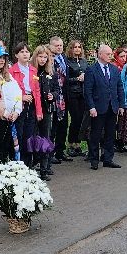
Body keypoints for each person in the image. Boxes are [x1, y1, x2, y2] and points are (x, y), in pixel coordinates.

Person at [83, 43, 125, 170]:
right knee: (96, 134)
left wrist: (121, 105)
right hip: (98, 107)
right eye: (108, 54)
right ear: (100, 54)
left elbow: (119, 88)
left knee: (110, 134)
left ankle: (108, 158)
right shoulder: (91, 70)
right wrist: (91, 107)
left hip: (112, 107)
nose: (110, 56)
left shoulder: (114, 69)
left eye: (111, 54)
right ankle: (94, 159)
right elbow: (88, 91)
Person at [0, 45, 21, 170]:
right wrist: (4, 112)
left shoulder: (8, 76)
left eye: (4, 58)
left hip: (10, 118)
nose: (2, 60)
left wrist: (16, 111)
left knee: (6, 147)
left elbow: (18, 94)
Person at [9, 42, 42, 166]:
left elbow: (37, 92)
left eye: (27, 51)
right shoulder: (12, 71)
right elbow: (9, 91)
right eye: (22, 52)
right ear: (16, 55)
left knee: (29, 136)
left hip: (31, 106)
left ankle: (28, 164)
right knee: (19, 135)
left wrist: (39, 111)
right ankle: (18, 163)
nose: (25, 54)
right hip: (18, 107)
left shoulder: (33, 70)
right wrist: (22, 97)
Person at [33, 44, 59, 178]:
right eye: (40, 57)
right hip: (33, 110)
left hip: (47, 109)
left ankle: (45, 167)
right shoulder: (32, 72)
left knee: (46, 137)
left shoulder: (51, 73)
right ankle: (33, 164)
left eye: (45, 57)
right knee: (33, 136)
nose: (43, 60)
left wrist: (52, 95)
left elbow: (57, 90)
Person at [48, 36, 71, 165]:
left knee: (63, 125)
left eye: (61, 45)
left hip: (64, 97)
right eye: (56, 45)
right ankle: (50, 153)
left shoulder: (64, 59)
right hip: (54, 97)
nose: (59, 47)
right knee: (53, 127)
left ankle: (60, 151)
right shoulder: (50, 60)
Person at [64, 39, 88, 157]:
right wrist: (77, 79)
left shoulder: (84, 61)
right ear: (71, 49)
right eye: (75, 47)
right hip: (72, 93)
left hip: (82, 93)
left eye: (79, 47)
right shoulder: (67, 62)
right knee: (75, 118)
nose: (77, 49)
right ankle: (71, 144)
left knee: (81, 119)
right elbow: (65, 79)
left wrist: (85, 77)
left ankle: (78, 144)